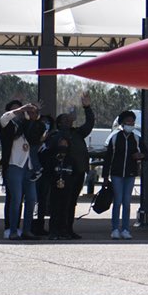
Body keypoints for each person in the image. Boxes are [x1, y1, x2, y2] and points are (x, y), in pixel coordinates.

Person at [0, 99, 46, 240]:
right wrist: (19, 110)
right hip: (14, 165)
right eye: (17, 110)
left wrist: (35, 113)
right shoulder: (7, 125)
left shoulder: (28, 126)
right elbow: (4, 118)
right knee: (16, 199)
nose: (21, 112)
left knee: (31, 199)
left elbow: (39, 131)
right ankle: (12, 230)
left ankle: (27, 230)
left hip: (29, 167)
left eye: (22, 109)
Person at [51, 91, 95, 239]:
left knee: (71, 203)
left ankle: (68, 229)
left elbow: (89, 124)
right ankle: (57, 230)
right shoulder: (58, 135)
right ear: (60, 123)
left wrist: (87, 108)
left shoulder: (77, 133)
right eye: (65, 119)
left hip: (78, 172)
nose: (69, 120)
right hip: (64, 174)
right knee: (61, 203)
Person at [103, 110, 147, 240]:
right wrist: (105, 176)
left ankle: (126, 229)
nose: (131, 124)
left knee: (127, 202)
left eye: (132, 122)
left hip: (130, 174)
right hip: (116, 174)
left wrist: (141, 155)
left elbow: (147, 154)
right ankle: (115, 228)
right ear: (122, 124)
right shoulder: (115, 138)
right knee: (118, 201)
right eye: (128, 122)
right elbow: (108, 158)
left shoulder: (137, 138)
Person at [46, 134, 81, 241]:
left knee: (65, 210)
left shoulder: (71, 160)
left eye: (65, 144)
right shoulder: (52, 159)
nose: (63, 146)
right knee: (55, 210)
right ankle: (53, 231)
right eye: (61, 144)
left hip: (68, 189)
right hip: (55, 189)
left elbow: (76, 174)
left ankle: (64, 231)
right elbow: (48, 173)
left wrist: (70, 183)